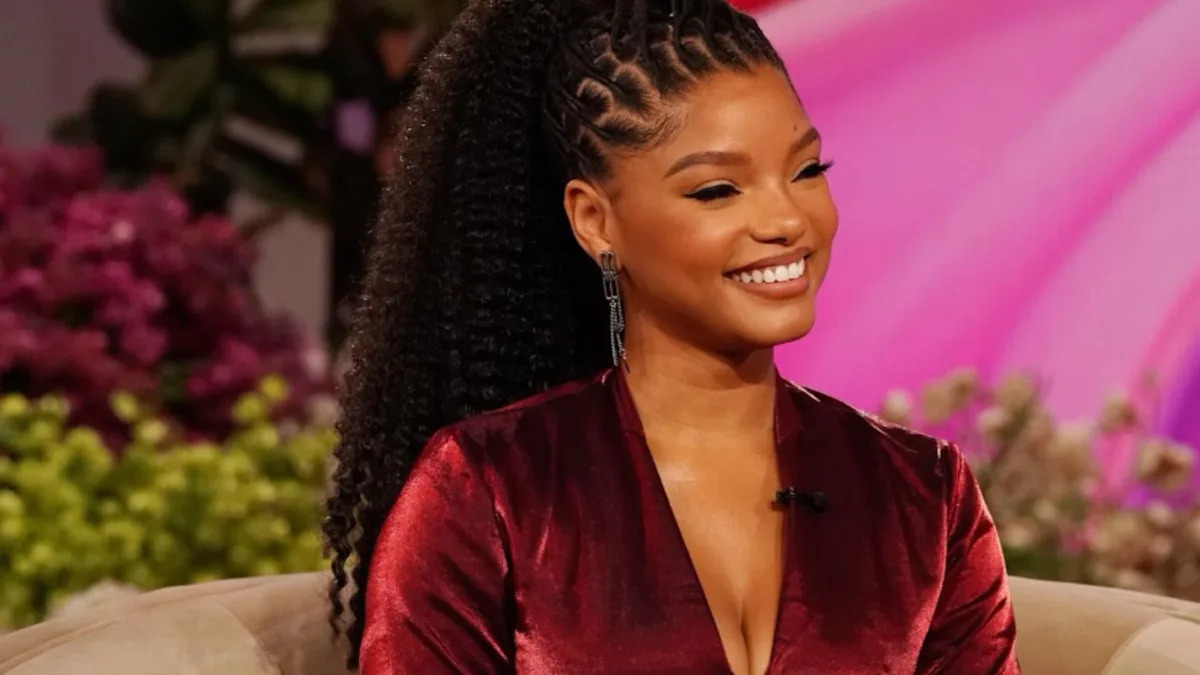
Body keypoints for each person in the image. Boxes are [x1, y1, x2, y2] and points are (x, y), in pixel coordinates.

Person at [322, 0, 1021, 672]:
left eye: (807, 170)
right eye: (717, 190)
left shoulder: (926, 496)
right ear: (596, 221)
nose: (787, 220)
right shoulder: (482, 492)